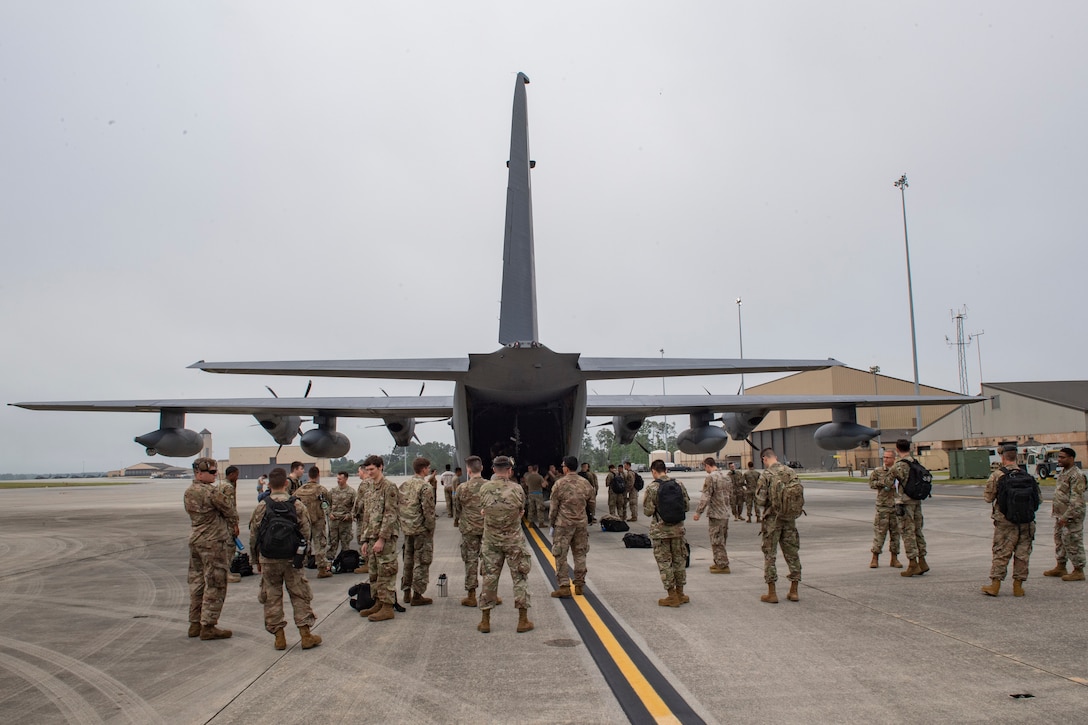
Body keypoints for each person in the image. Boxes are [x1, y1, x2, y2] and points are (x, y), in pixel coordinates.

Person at [249, 467, 321, 650]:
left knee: (272, 596)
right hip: (292, 558)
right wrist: (302, 556)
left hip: (269, 558)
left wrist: (255, 560)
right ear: (286, 483)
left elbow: (254, 536)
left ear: (269, 485)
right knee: (299, 594)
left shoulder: (262, 506)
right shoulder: (296, 505)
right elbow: (306, 532)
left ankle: (279, 638)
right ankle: (306, 635)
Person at [183, 457, 238, 640]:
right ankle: (208, 625)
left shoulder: (189, 492)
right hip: (213, 541)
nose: (216, 475)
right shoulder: (211, 493)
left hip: (196, 539)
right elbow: (229, 510)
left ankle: (194, 623)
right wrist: (233, 524)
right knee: (216, 582)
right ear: (200, 473)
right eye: (212, 472)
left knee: (197, 582)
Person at [477, 456, 533, 634]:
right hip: (513, 541)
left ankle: (485, 621)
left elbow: (483, 511)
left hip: (491, 541)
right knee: (520, 578)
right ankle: (522, 620)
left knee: (489, 579)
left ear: (493, 469)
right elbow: (521, 511)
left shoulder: (484, 488)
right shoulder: (517, 489)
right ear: (510, 470)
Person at [981, 445, 1038, 596]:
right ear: (1016, 457)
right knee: (1023, 553)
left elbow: (988, 498)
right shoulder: (1026, 475)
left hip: (1005, 521)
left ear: (1003, 457)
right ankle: (1018, 587)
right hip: (1026, 521)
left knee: (1001, 552)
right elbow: (1038, 499)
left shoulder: (997, 475)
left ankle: (995, 585)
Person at [357, 455, 401, 622]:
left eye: (372, 469)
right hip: (371, 536)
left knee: (386, 572)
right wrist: (364, 540)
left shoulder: (388, 487)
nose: (369, 473)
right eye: (367, 470)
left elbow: (390, 515)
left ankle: (388, 606)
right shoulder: (369, 488)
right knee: (374, 572)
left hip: (385, 538)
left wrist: (382, 539)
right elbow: (366, 515)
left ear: (381, 467)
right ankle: (378, 602)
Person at [755, 448, 801, 604]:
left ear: (764, 459)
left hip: (772, 520)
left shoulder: (766, 475)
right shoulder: (790, 472)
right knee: (792, 554)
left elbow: (761, 500)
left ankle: (772, 593)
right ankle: (794, 590)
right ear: (775, 457)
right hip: (789, 519)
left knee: (770, 555)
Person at [644, 459, 690, 607]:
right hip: (678, 530)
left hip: (661, 532)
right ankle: (680, 593)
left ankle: (671, 596)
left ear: (654, 471)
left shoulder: (652, 488)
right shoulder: (679, 484)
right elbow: (687, 507)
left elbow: (647, 511)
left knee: (665, 563)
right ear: (666, 470)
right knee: (679, 561)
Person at [550, 456, 595, 598]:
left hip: (563, 525)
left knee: (560, 555)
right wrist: (589, 516)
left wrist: (552, 523)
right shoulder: (585, 483)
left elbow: (553, 507)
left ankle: (564, 586)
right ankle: (579, 584)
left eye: (562, 465)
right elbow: (591, 502)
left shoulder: (559, 484)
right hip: (581, 524)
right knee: (580, 554)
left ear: (566, 468)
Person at [1044, 447, 1086, 582]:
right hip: (1060, 514)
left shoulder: (1077, 475)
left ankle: (1078, 570)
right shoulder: (1063, 472)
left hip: (1072, 515)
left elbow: (1076, 499)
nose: (1059, 459)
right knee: (1060, 540)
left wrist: (1067, 516)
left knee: (1073, 540)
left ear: (1071, 458)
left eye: (1062, 457)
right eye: (1059, 457)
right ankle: (1061, 566)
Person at [400, 457, 437, 605]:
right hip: (421, 530)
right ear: (424, 469)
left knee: (408, 561)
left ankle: (406, 592)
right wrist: (430, 528)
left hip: (408, 529)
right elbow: (428, 511)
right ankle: (417, 595)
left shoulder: (404, 485)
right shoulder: (425, 487)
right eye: (428, 468)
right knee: (421, 562)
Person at [891, 439, 929, 577]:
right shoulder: (915, 462)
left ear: (897, 449)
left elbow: (888, 481)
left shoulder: (899, 465)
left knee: (907, 532)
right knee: (918, 531)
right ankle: (923, 560)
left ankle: (913, 563)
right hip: (916, 502)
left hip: (904, 502)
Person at [456, 455, 491, 606]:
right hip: (487, 529)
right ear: (482, 468)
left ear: (468, 470)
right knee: (488, 561)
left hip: (469, 530)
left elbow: (457, 508)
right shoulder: (489, 486)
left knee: (470, 561)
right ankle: (489, 594)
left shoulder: (462, 488)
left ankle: (471, 595)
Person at [693, 457, 731, 573]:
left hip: (716, 513)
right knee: (722, 539)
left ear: (707, 466)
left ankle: (723, 565)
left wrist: (698, 512)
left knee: (716, 540)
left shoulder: (711, 477)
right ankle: (718, 561)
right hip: (725, 512)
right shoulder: (725, 476)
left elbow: (706, 496)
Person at [294, 466, 332, 578]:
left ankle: (300, 569)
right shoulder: (321, 489)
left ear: (309, 475)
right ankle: (322, 569)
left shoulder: (299, 490)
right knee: (320, 544)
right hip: (318, 520)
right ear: (318, 475)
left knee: (303, 544)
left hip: (304, 521)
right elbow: (328, 502)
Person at [868, 450, 902, 569]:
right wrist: (884, 483)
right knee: (880, 533)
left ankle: (894, 558)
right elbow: (871, 484)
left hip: (896, 505)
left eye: (888, 457)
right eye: (884, 457)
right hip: (882, 506)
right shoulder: (878, 471)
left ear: (894, 458)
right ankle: (875, 557)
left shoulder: (899, 471)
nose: (886, 459)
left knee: (895, 534)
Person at [325, 471, 357, 563]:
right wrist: (329, 513)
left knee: (345, 543)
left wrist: (350, 516)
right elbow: (327, 504)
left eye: (340, 479)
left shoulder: (351, 492)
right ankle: (330, 561)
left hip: (345, 522)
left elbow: (355, 507)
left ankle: (345, 561)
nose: (338, 481)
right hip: (334, 521)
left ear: (346, 479)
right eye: (337, 479)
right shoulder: (332, 491)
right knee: (332, 542)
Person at [219, 465, 243, 583]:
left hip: (220, 522)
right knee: (229, 547)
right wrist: (235, 524)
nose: (237, 477)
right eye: (237, 475)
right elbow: (230, 507)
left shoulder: (220, 484)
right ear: (232, 474)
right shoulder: (228, 487)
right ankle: (226, 573)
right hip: (227, 522)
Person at [352, 464, 370, 574]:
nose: (358, 474)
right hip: (371, 517)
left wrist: (354, 513)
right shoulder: (374, 482)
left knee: (362, 539)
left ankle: (367, 563)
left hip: (363, 517)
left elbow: (359, 502)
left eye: (359, 471)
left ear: (363, 471)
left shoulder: (364, 484)